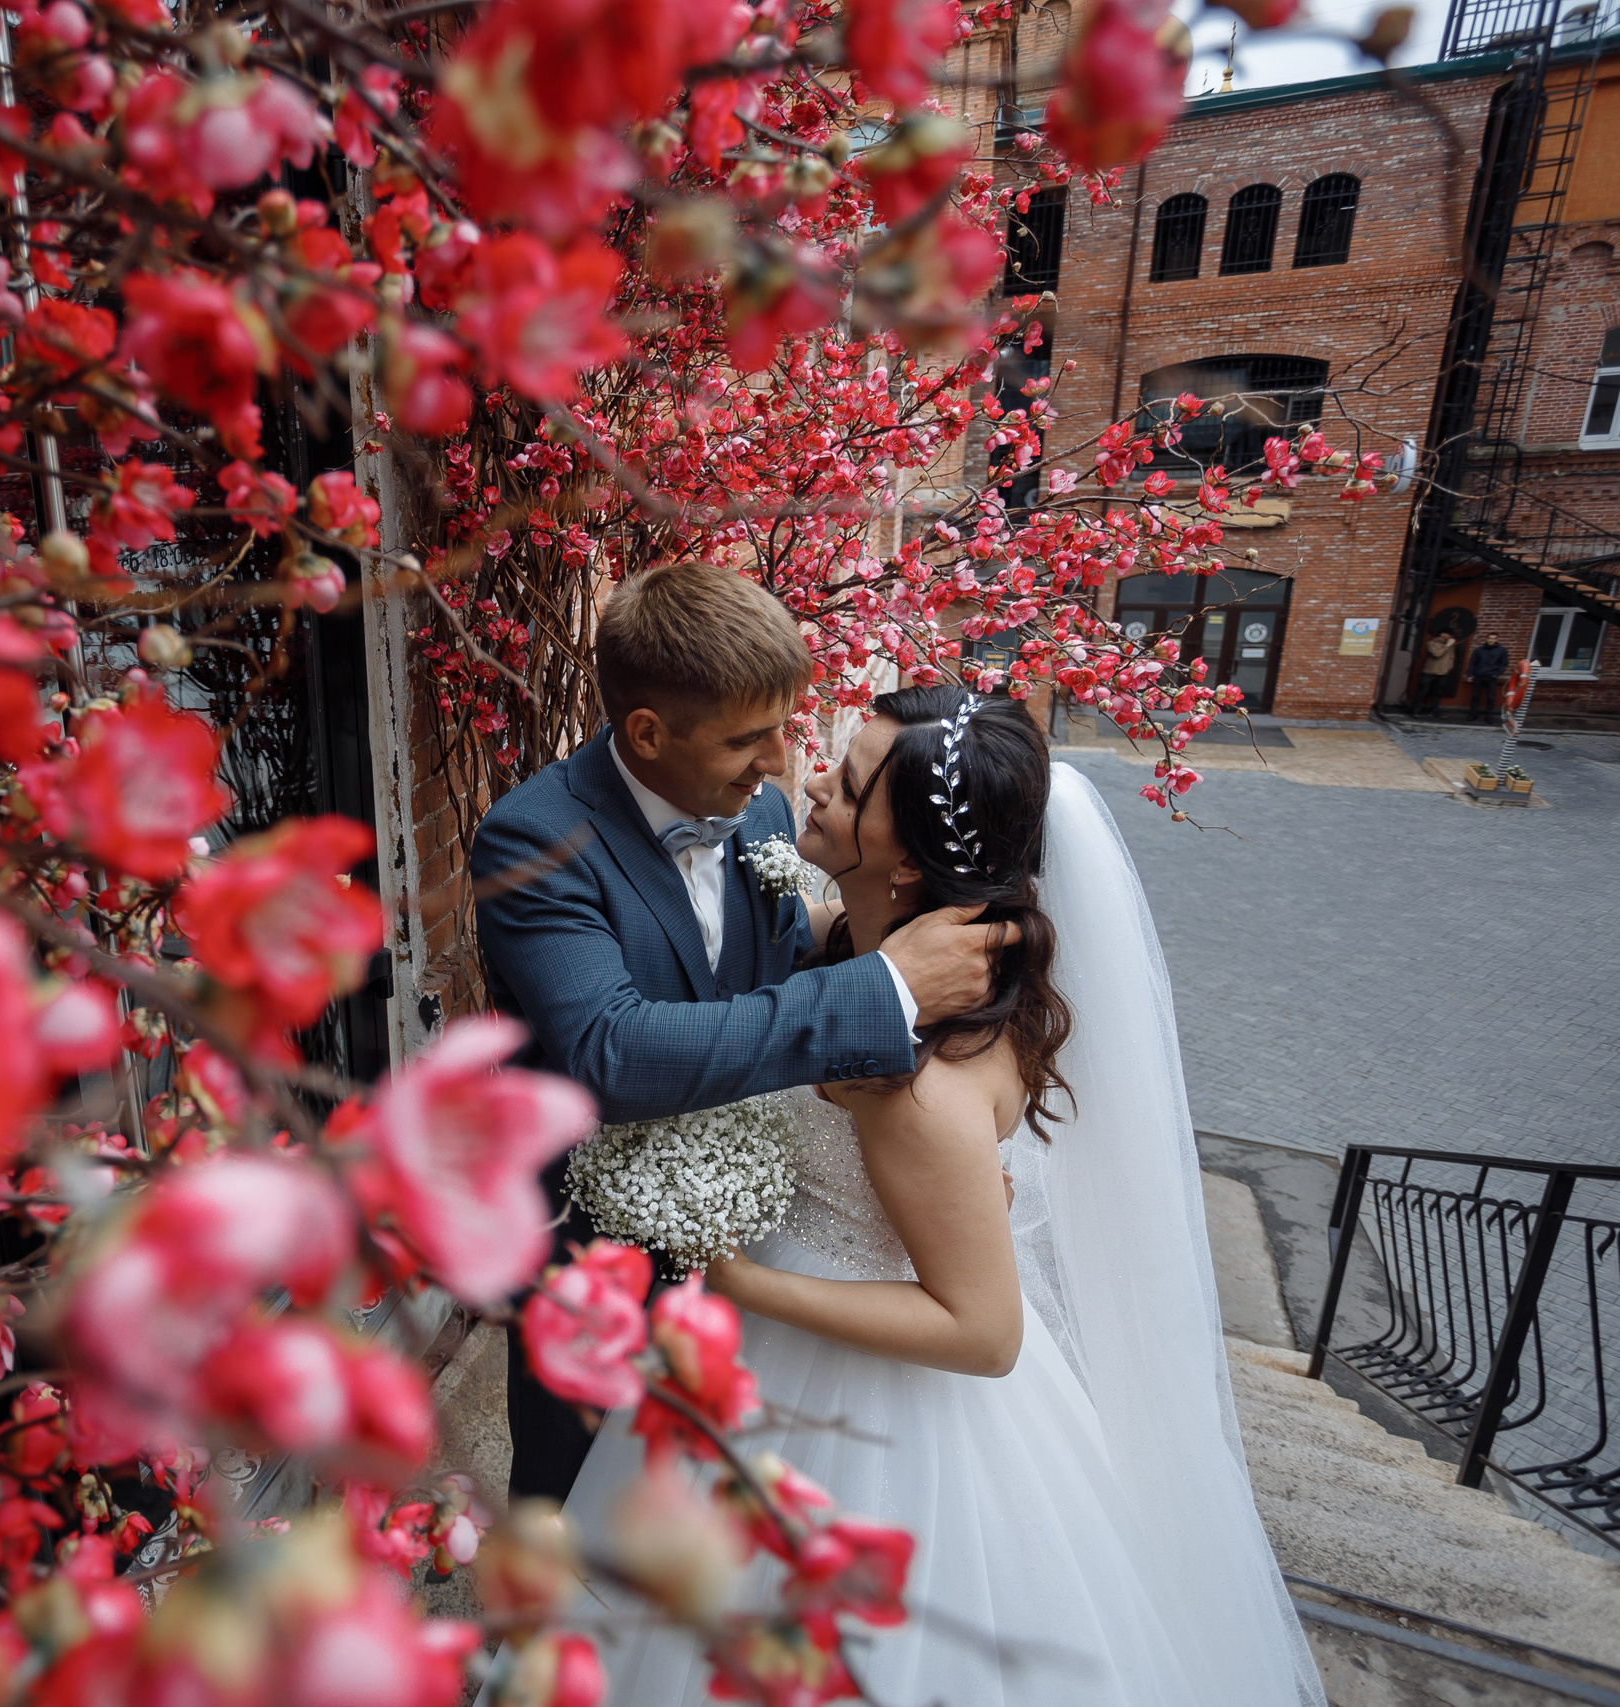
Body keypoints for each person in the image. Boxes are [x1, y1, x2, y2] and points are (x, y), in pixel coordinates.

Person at [560, 687, 1327, 1707]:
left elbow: (982, 1330)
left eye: (850, 778)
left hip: (858, 1410)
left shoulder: (908, 1080)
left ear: (911, 857)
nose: (813, 782)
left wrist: (742, 1282)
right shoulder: (873, 959)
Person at [471, 565, 1004, 1504]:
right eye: (747, 738)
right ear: (648, 732)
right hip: (594, 1267)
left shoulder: (754, 811)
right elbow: (614, 1052)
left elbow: (770, 953)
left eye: (784, 727)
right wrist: (879, 990)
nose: (779, 764)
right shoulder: (532, 841)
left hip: (757, 1256)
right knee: (569, 1513)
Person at [1413, 628, 1459, 717]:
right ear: (1442, 634)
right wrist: (1447, 645)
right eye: (1448, 634)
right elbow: (1437, 654)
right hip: (1429, 672)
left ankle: (1434, 711)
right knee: (1423, 691)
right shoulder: (1431, 643)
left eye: (1450, 635)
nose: (1449, 637)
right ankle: (1416, 710)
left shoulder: (1450, 646)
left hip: (1442, 673)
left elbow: (1451, 657)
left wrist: (1448, 668)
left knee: (1437, 693)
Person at [1467, 633, 1511, 723]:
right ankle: (1473, 715)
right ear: (1487, 639)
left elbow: (1504, 663)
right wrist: (1470, 675)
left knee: (1491, 697)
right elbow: (1472, 663)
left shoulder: (1501, 650)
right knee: (1475, 696)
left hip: (1491, 676)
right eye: (1490, 638)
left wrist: (1497, 673)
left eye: (1494, 638)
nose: (1491, 640)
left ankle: (1489, 716)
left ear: (1497, 639)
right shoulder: (1479, 650)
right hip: (1479, 675)